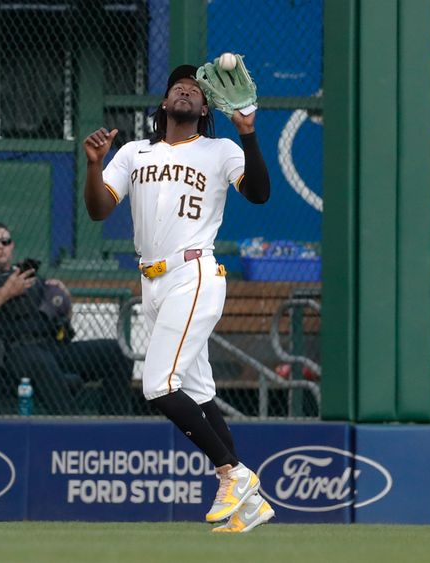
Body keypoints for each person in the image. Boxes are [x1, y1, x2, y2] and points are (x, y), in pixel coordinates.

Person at [82, 64, 274, 532]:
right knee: (199, 391)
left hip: (194, 272)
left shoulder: (220, 148)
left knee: (158, 385)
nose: (185, 90)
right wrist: (93, 164)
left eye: (194, 89)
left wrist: (248, 134)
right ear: (164, 104)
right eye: (177, 87)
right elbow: (98, 209)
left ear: (205, 108)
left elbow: (260, 194)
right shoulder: (133, 152)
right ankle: (251, 508)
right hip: (153, 283)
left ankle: (232, 473)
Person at [0, 221, 134, 415]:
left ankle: (115, 424)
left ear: (12, 247)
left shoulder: (32, 278)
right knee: (39, 361)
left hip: (52, 348)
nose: (0, 247)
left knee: (117, 352)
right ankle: (73, 425)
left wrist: (64, 299)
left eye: (5, 242)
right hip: (13, 354)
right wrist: (6, 292)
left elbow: (62, 319)